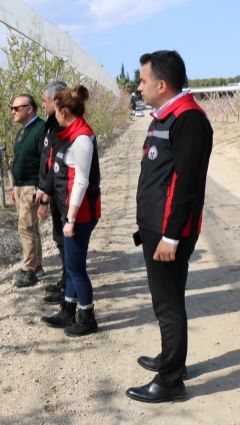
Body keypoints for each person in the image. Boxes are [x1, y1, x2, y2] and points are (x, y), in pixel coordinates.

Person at [125, 50, 213, 403]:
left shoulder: (189, 120)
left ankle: (171, 380)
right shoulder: (164, 116)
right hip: (155, 228)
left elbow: (186, 184)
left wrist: (171, 236)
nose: (139, 86)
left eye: (143, 80)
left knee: (168, 304)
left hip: (168, 232)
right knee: (166, 299)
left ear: (162, 84)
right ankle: (170, 357)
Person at [40, 85, 101, 336]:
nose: (53, 115)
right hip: (70, 210)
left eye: (55, 110)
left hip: (80, 213)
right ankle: (68, 310)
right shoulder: (70, 134)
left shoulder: (82, 138)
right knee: (72, 264)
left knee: (76, 267)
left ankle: (87, 317)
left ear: (63, 111)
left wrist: (72, 218)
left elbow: (81, 181)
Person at [35, 81, 68, 304]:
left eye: (45, 100)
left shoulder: (62, 127)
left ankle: (69, 286)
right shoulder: (50, 124)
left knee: (65, 240)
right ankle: (66, 282)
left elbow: (56, 165)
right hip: (51, 190)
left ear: (56, 101)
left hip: (59, 193)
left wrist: (45, 196)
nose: (42, 104)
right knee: (59, 238)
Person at [10, 94, 46, 287]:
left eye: (16, 108)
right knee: (30, 227)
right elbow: (19, 159)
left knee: (26, 227)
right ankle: (37, 264)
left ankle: (29, 270)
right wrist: (15, 186)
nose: (12, 112)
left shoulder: (40, 129)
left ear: (29, 109)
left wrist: (41, 188)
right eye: (12, 108)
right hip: (22, 186)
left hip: (32, 186)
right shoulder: (23, 131)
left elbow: (44, 161)